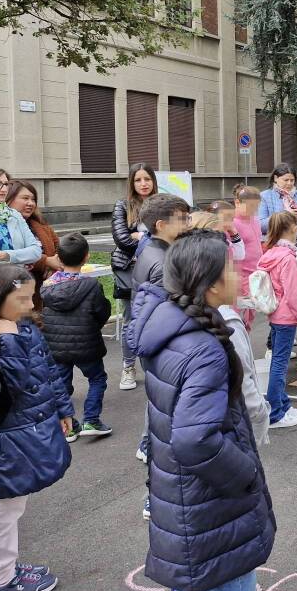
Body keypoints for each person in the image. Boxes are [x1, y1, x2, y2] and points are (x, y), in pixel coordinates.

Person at [129, 230, 276, 591]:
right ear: (209, 283)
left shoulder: (169, 328)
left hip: (185, 500)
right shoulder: (203, 347)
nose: (239, 272)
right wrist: (245, 473)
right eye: (230, 267)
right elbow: (195, 439)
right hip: (211, 511)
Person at [0, 264, 71, 591]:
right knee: (4, 508)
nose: (30, 304)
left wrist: (63, 408)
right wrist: (8, 339)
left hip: (30, 428)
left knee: (7, 506)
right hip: (8, 436)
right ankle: (3, 580)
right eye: (21, 299)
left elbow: (49, 371)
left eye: (31, 296)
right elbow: (14, 384)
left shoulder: (24, 325)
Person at [40, 233, 113, 441]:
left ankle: (68, 425)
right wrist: (93, 327)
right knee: (97, 378)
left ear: (59, 258)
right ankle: (91, 419)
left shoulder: (47, 286)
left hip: (57, 347)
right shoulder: (91, 285)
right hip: (87, 344)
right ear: (87, 257)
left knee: (62, 384)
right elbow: (102, 311)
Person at [123, 194, 192, 391]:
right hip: (165, 349)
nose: (188, 223)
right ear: (161, 225)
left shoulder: (150, 249)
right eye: (182, 219)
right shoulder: (164, 263)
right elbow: (169, 316)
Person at [257, 212, 297, 429]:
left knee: (278, 363)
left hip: (277, 314)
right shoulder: (287, 258)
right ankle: (276, 413)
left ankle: (283, 405)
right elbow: (294, 294)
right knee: (280, 365)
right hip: (287, 317)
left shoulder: (272, 253)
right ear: (294, 228)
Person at [111, 163, 157, 387]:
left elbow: (171, 234)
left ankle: (155, 366)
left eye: (147, 179)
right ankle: (128, 367)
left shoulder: (161, 203)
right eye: (138, 180)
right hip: (129, 269)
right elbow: (123, 240)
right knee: (131, 320)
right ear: (131, 182)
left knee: (157, 317)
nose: (143, 184)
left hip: (157, 269)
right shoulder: (122, 206)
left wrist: (141, 236)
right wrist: (149, 239)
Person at [219, 303, 271, 447]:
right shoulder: (228, 323)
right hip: (228, 432)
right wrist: (260, 414)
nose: (238, 279)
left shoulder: (175, 316)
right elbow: (243, 382)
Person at [6, 181, 60, 311]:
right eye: (25, 198)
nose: (31, 203)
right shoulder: (3, 227)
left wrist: (55, 265)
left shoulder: (40, 225)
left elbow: (58, 246)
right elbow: (12, 254)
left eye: (33, 199)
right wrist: (45, 261)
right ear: (9, 198)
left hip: (44, 292)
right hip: (16, 290)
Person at [0, 167, 42, 272]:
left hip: (17, 284)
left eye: (6, 184)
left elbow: (36, 251)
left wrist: (4, 255)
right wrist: (19, 263)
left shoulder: (13, 214)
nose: (4, 189)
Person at [232, 185, 263, 330]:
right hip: (240, 278)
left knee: (250, 317)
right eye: (250, 206)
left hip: (255, 275)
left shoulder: (255, 220)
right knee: (236, 317)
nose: (253, 210)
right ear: (237, 202)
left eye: (256, 207)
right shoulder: (232, 223)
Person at [258, 163, 297, 235]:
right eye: (286, 180)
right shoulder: (264, 196)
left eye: (292, 180)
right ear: (276, 178)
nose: (289, 183)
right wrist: (285, 216)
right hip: (276, 240)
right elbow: (261, 226)